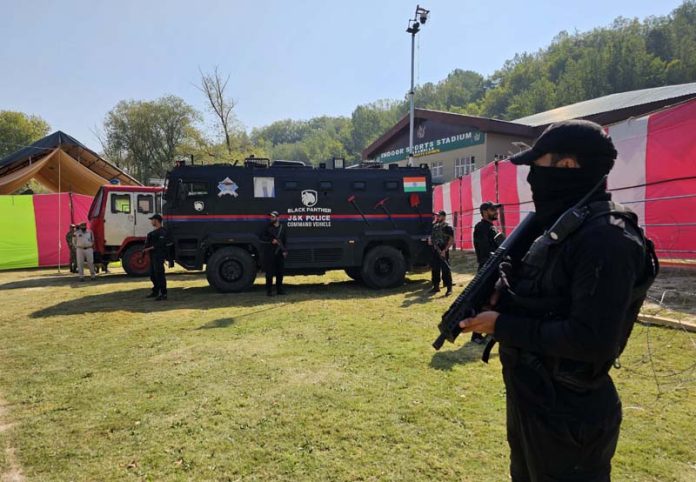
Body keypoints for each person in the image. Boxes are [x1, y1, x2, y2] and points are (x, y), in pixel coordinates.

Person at [458, 120, 656, 481]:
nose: (532, 177)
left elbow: (592, 340)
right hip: (533, 400)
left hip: (570, 415)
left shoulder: (606, 239)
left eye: (538, 165)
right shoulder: (562, 228)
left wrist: (500, 324)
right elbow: (548, 300)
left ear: (567, 167)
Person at [471, 201, 505, 344]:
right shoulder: (481, 227)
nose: (496, 212)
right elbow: (485, 251)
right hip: (487, 269)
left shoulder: (491, 227)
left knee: (496, 301)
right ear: (485, 212)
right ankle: (476, 335)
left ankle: (491, 329)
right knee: (483, 301)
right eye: (493, 210)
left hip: (495, 269)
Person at [260, 211, 288, 296]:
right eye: (271, 217)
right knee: (269, 273)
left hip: (280, 253)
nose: (271, 218)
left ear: (278, 218)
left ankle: (280, 290)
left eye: (273, 217)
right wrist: (271, 240)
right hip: (270, 253)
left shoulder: (282, 228)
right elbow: (262, 237)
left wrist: (284, 251)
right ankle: (269, 291)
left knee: (280, 272)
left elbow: (284, 240)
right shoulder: (267, 227)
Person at [429, 210, 454, 296]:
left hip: (443, 249)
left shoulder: (447, 227)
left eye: (439, 216)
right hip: (435, 249)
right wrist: (430, 241)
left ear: (443, 216)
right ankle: (436, 286)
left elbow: (451, 239)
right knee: (435, 268)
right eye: (437, 216)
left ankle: (449, 288)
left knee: (446, 269)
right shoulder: (435, 226)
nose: (437, 217)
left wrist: (445, 250)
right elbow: (432, 238)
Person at [144, 214, 169, 301]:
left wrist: (149, 248)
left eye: (152, 220)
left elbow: (160, 244)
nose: (151, 221)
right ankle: (155, 291)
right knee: (153, 275)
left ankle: (163, 293)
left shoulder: (162, 232)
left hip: (159, 255)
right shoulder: (153, 232)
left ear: (156, 220)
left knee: (159, 275)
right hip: (153, 256)